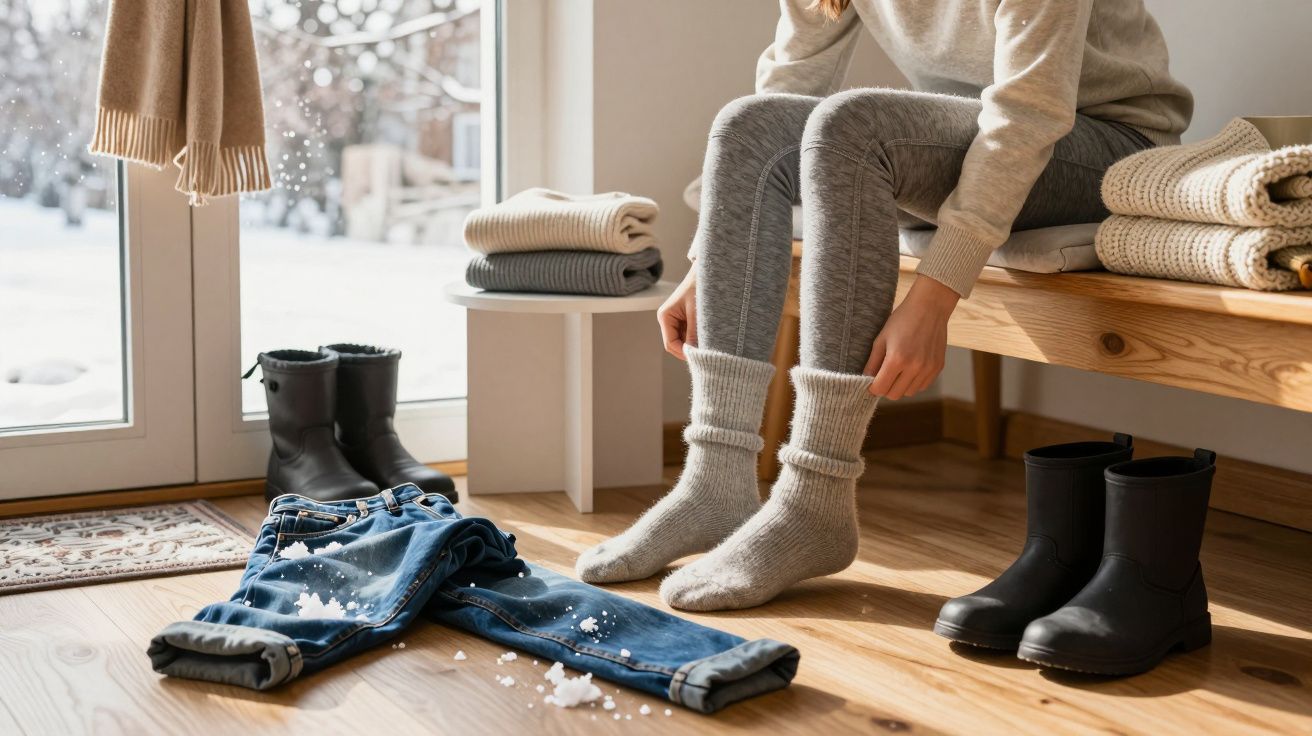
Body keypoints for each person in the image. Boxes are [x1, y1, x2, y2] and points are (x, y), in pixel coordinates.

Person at [577, 0, 1192, 611]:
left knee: (854, 125)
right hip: (969, 129)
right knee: (749, 124)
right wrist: (704, 264)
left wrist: (934, 295)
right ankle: (715, 482)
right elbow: (789, 84)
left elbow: (1028, 118)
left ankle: (815, 499)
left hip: (1104, 146)